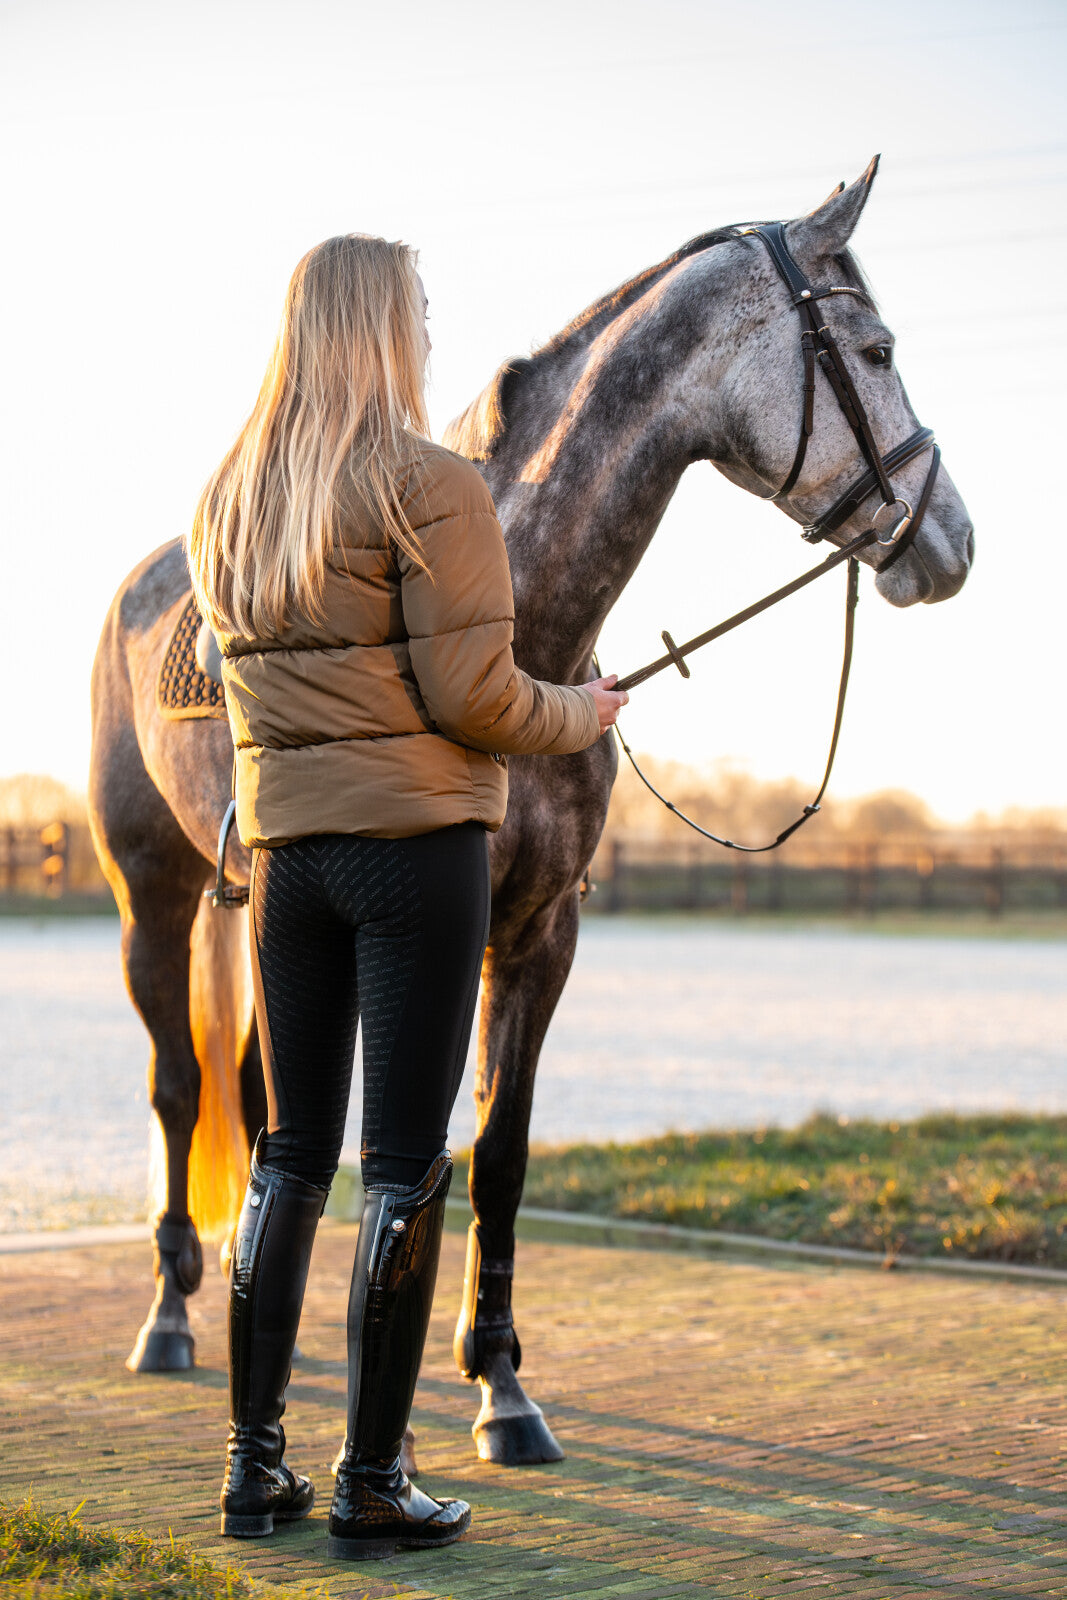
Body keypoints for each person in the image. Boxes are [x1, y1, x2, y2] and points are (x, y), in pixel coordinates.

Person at [186, 233, 627, 1561]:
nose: (431, 331)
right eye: (419, 310)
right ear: (383, 326)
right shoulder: (432, 485)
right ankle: (372, 1480)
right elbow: (478, 699)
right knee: (402, 1165)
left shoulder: (230, 499)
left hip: (289, 861)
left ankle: (253, 1469)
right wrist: (582, 710)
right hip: (417, 852)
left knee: (286, 1155)